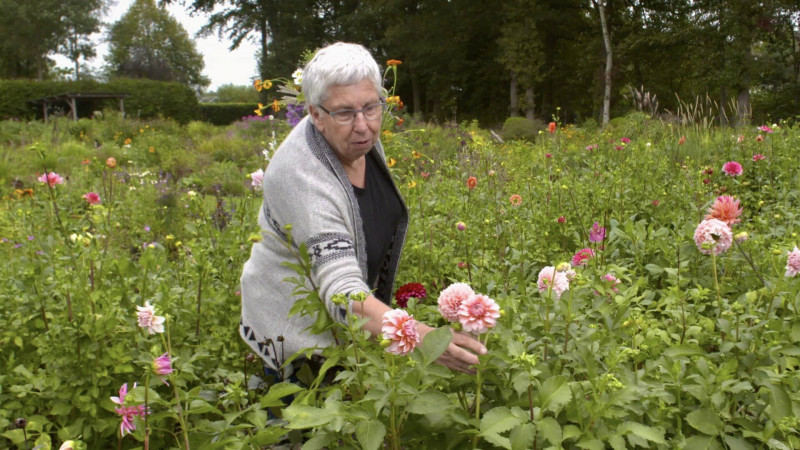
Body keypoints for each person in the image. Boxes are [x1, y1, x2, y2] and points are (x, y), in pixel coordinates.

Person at [239, 42, 486, 381]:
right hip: (297, 335)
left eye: (371, 107)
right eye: (344, 112)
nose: (363, 125)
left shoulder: (357, 139)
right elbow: (343, 294)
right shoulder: (302, 178)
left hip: (353, 330)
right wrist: (422, 337)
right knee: (301, 424)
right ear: (316, 114)